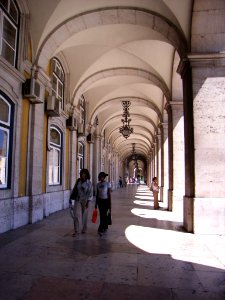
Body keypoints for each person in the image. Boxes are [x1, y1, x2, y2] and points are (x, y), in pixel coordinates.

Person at [69, 168, 93, 236]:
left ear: (86, 174)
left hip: (85, 200)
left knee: (84, 215)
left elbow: (90, 193)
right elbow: (74, 189)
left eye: (84, 173)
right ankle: (76, 230)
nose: (83, 174)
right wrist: (71, 197)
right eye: (82, 173)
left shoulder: (89, 183)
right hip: (78, 199)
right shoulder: (78, 181)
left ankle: (84, 229)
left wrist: (88, 202)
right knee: (75, 214)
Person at [95, 172, 111, 236]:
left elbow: (109, 194)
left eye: (101, 176)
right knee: (102, 214)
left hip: (106, 201)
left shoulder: (107, 184)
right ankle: (104, 226)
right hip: (100, 201)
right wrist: (96, 204)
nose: (100, 178)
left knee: (104, 214)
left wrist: (110, 204)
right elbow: (97, 194)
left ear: (104, 177)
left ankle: (101, 228)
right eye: (99, 177)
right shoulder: (98, 184)